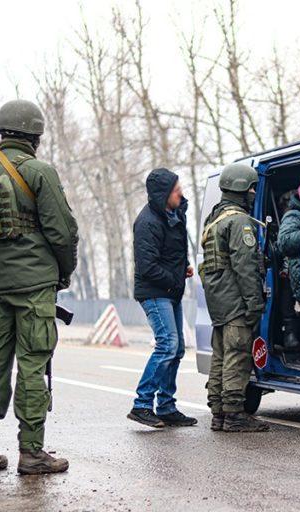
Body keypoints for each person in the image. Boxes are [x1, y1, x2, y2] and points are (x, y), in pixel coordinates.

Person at [0, 99, 79, 475]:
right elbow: (63, 232)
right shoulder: (40, 172)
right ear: (35, 135)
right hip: (34, 287)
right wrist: (64, 272)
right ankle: (31, 453)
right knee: (32, 363)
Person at [199, 163, 269, 432]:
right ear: (242, 189)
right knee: (237, 356)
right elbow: (245, 268)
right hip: (236, 301)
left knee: (220, 355)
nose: (254, 193)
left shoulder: (213, 221)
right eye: (252, 188)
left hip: (218, 302)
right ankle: (234, 414)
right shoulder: (239, 222)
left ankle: (218, 412)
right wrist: (254, 303)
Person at [128, 168, 197, 429]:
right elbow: (148, 267)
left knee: (176, 349)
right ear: (164, 194)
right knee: (167, 345)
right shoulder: (147, 222)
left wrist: (184, 267)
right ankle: (142, 404)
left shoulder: (173, 214)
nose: (181, 192)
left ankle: (166, 406)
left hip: (170, 290)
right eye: (176, 189)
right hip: (154, 293)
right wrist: (176, 278)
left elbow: (171, 252)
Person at [276, 179, 300, 352]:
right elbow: (285, 241)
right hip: (293, 270)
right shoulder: (294, 216)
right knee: (288, 298)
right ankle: (290, 334)